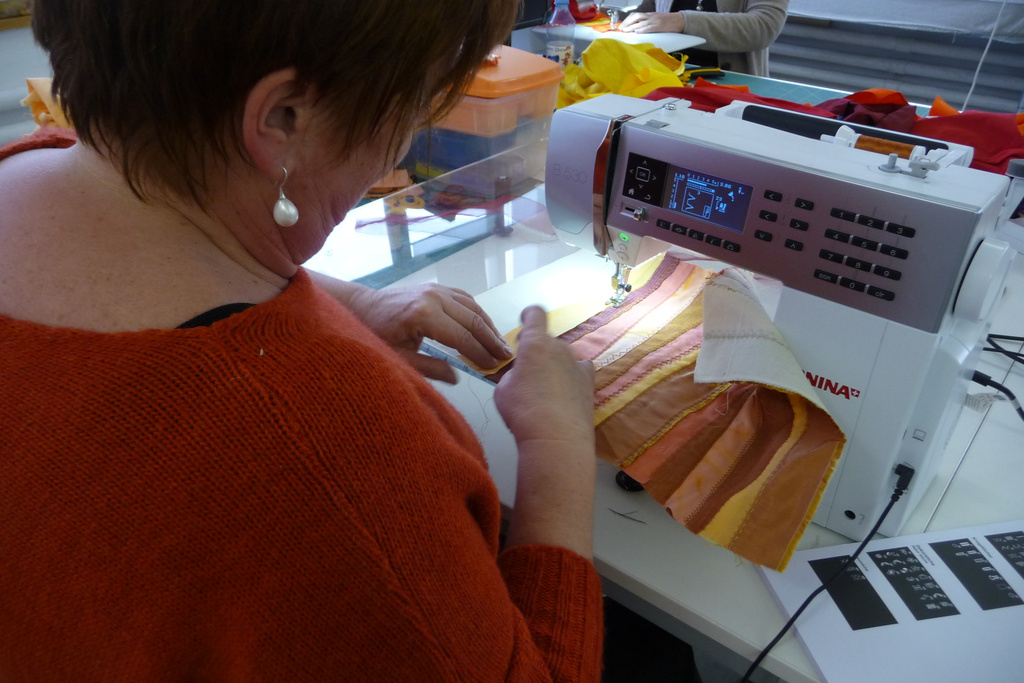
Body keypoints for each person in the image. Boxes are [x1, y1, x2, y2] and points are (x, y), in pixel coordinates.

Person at [0, 1, 604, 680]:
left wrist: (353, 304)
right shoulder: (326, 460)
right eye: (411, 107)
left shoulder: (40, 164)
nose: (402, 143)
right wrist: (559, 448)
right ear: (284, 117)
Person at [618, 0, 790, 77]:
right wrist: (613, 17)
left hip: (729, 91)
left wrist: (682, 21)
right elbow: (651, 9)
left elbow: (764, 26)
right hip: (662, 82)